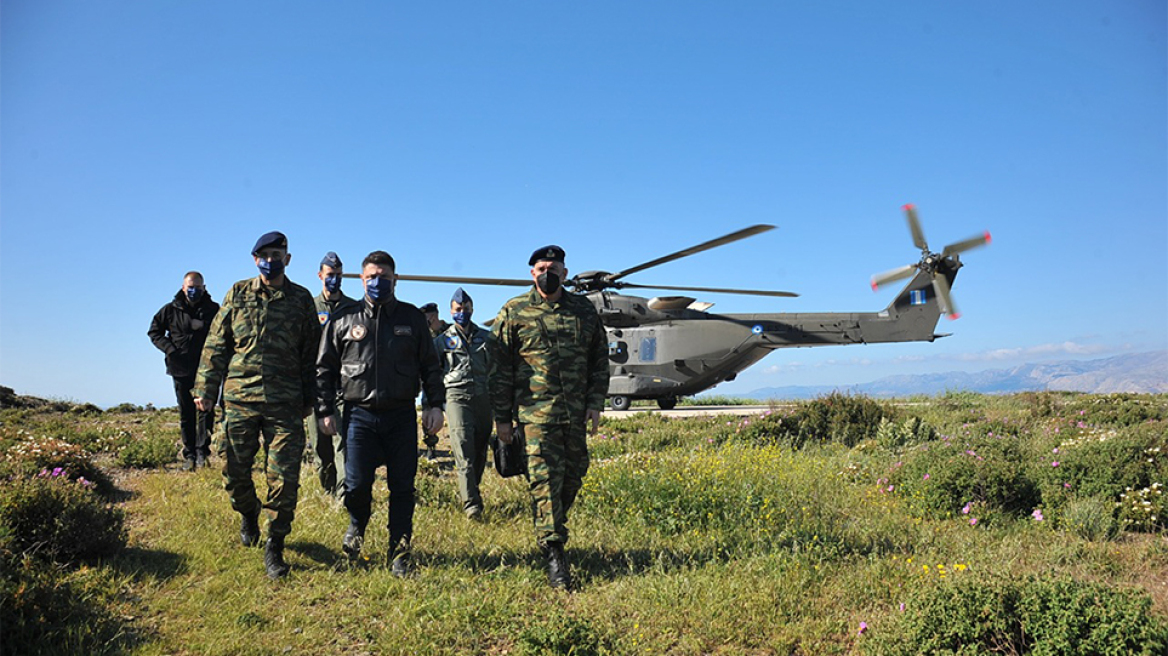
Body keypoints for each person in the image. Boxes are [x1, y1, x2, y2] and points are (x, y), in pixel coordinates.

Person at [193, 231, 320, 580]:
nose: (270, 259)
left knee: (284, 478)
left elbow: (311, 354)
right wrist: (206, 386)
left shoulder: (301, 299)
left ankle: (275, 545)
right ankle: (248, 514)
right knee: (234, 473)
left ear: (288, 259)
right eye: (263, 254)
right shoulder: (237, 293)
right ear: (254, 259)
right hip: (239, 400)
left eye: (277, 253)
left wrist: (311, 399)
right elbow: (217, 343)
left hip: (285, 402)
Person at [316, 250, 445, 576]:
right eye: (371, 277)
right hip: (359, 416)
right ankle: (356, 526)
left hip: (401, 415)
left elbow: (430, 365)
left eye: (384, 277)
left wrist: (434, 405)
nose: (377, 282)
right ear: (361, 280)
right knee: (357, 485)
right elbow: (325, 368)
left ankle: (399, 551)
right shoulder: (344, 318)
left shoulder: (412, 318)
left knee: (403, 487)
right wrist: (325, 409)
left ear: (395, 279)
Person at [489, 245, 609, 590]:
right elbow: (499, 369)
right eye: (541, 267)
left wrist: (595, 402)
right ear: (532, 273)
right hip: (533, 416)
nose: (547, 272)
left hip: (574, 414)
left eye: (553, 267)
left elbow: (599, 358)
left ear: (565, 273)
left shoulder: (583, 310)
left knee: (571, 477)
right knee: (544, 483)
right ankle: (555, 553)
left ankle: (549, 529)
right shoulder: (514, 311)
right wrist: (502, 419)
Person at [148, 271, 220, 471]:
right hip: (180, 369)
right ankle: (189, 455)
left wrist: (202, 326)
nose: (194, 290)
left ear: (204, 288)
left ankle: (202, 454)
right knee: (186, 413)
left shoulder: (213, 309)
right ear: (183, 287)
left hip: (206, 369)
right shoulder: (170, 310)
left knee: (206, 411)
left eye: (198, 286)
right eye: (190, 286)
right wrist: (170, 349)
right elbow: (154, 332)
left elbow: (223, 334)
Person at [305, 251, 361, 498]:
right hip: (315, 385)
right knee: (320, 445)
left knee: (343, 444)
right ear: (320, 276)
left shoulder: (354, 308)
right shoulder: (308, 307)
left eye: (338, 274)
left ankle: (342, 495)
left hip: (343, 385)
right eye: (330, 274)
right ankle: (327, 489)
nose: (334, 279)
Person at [434, 287, 493, 520]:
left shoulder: (486, 338)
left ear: (472, 310)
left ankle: (473, 491)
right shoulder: (442, 342)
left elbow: (496, 371)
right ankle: (471, 505)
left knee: (480, 451)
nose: (462, 313)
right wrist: (433, 404)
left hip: (483, 398)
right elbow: (433, 373)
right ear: (451, 311)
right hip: (457, 397)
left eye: (466, 309)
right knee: (463, 450)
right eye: (458, 309)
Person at [418, 302, 449, 459]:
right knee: (428, 414)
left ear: (432, 316)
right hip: (431, 383)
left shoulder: (450, 332)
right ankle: (431, 447)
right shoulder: (424, 334)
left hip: (450, 383)